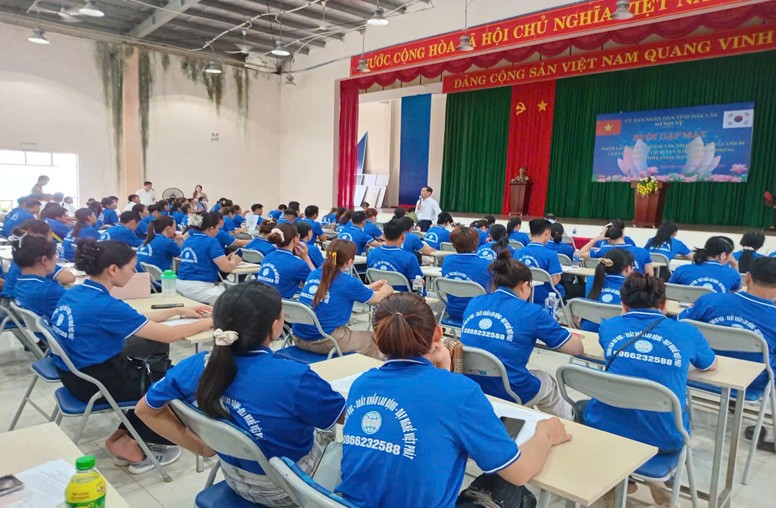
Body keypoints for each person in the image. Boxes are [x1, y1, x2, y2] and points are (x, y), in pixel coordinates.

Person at [337, 293, 572, 507]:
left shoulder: (361, 384)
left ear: (377, 340)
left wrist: (443, 368)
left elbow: (429, 413)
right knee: (509, 486)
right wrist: (546, 433)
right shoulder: (461, 393)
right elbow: (520, 473)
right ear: (438, 333)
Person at [135, 283, 345, 505]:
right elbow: (348, 418)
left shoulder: (193, 366)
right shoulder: (294, 377)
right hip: (289, 489)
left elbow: (144, 410)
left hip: (234, 478)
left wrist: (203, 448)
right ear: (275, 327)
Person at [50, 239, 213, 474]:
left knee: (160, 370)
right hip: (99, 381)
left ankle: (123, 438)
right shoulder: (103, 305)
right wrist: (210, 321)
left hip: (76, 376)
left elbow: (133, 317)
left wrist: (178, 310)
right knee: (176, 384)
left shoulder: (78, 293)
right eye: (131, 267)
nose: (134, 272)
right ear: (113, 269)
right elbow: (169, 336)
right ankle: (139, 445)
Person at [583, 273, 717, 504]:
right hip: (664, 436)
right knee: (667, 411)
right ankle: (654, 481)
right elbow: (709, 365)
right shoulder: (686, 332)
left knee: (586, 407)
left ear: (623, 305)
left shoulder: (609, 327)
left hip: (605, 429)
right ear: (664, 305)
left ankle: (616, 481)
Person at [460, 251, 583, 418]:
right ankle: (570, 422)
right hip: (509, 390)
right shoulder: (532, 312)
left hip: (471, 385)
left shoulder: (475, 302)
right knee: (547, 382)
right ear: (525, 286)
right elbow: (576, 350)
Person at [679, 257, 776, 448]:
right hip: (752, 384)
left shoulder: (709, 300)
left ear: (747, 277)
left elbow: (682, 325)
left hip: (698, 373)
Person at [293, 240, 393, 359]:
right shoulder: (348, 282)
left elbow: (335, 289)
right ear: (350, 261)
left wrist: (368, 288)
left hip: (298, 337)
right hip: (325, 341)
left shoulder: (314, 273)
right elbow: (378, 299)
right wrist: (386, 290)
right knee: (375, 340)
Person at [177, 212, 243, 305]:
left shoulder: (188, 240)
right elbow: (227, 268)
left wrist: (225, 258)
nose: (218, 231)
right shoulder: (211, 241)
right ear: (211, 228)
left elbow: (202, 258)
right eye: (218, 228)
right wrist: (234, 261)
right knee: (238, 300)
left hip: (180, 285)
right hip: (199, 288)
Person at [1, 220, 75, 300]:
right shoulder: (36, 259)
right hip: (25, 300)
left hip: (16, 300)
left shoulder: (20, 256)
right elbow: (69, 278)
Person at [441, 226, 494, 324]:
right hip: (479, 314)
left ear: (453, 244)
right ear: (476, 242)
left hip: (452, 311)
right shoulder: (486, 264)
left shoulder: (447, 260)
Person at [12, 234, 67, 318]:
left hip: (33, 328)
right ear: (44, 260)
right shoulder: (50, 291)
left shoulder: (19, 284)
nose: (56, 258)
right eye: (55, 255)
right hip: (49, 329)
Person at [579, 249, 634, 332]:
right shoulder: (632, 285)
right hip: (616, 331)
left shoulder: (591, 280)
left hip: (588, 327)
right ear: (628, 268)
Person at [255, 223, 314, 299]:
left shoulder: (267, 257)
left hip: (260, 301)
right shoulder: (299, 264)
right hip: (282, 307)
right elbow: (316, 283)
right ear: (295, 239)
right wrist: (306, 258)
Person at [514, 219, 564, 305]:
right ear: (547, 232)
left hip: (521, 297)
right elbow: (555, 280)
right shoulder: (551, 254)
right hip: (544, 298)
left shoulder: (518, 253)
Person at [366, 219, 423, 292]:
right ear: (403, 237)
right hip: (403, 299)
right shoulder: (409, 257)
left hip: (380, 296)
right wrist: (422, 283)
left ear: (383, 236)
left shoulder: (372, 254)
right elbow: (417, 286)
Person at [669, 236, 740, 293]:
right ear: (723, 255)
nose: (731, 258)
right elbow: (735, 290)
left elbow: (670, 290)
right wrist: (735, 265)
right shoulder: (732, 274)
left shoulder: (681, 270)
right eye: (731, 254)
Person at [580, 226, 653, 276]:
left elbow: (580, 254)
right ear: (623, 236)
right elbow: (650, 275)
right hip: (637, 288)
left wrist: (595, 240)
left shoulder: (606, 250)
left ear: (608, 239)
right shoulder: (643, 251)